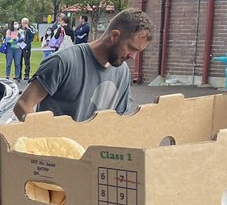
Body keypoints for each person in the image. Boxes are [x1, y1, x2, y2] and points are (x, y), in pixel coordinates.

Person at [14, 9, 154, 122]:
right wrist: (50, 143)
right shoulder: (63, 62)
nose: (133, 57)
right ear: (114, 36)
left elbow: (117, 120)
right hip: (57, 154)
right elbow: (22, 106)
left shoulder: (122, 72)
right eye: (131, 48)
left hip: (95, 155)